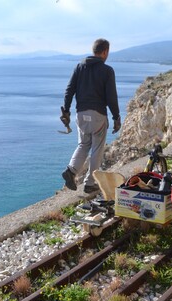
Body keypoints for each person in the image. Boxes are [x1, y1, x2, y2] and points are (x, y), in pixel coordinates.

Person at [60, 38, 121, 194]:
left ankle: (71, 170)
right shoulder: (107, 70)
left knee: (83, 144)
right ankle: (90, 183)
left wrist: (66, 110)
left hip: (80, 114)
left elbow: (69, 90)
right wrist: (116, 117)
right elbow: (111, 97)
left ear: (93, 50)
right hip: (98, 115)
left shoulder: (79, 67)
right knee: (97, 148)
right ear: (105, 51)